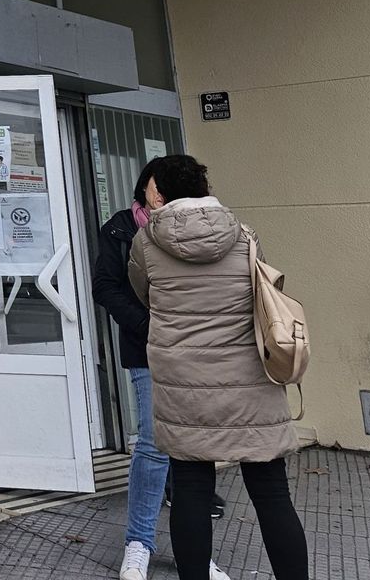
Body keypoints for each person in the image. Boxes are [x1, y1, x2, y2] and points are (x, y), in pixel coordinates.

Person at [130, 155, 309, 580]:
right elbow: (260, 293)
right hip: (250, 381)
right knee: (271, 494)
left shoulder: (146, 243)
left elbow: (145, 296)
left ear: (159, 192)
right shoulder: (244, 235)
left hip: (185, 384)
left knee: (191, 491)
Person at [92, 169, 224, 580]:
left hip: (196, 352)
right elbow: (106, 287)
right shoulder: (120, 228)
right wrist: (149, 327)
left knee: (192, 447)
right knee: (153, 443)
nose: (159, 193)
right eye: (155, 184)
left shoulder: (201, 229)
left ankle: (195, 553)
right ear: (145, 188)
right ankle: (139, 543)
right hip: (147, 349)